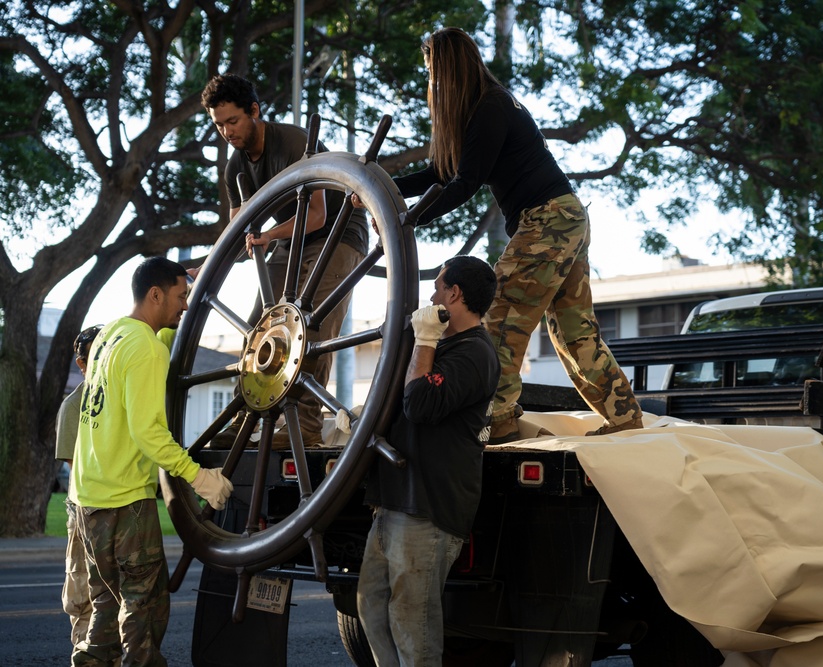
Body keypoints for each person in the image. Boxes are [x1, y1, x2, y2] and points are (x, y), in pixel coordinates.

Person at [390, 27, 643, 443]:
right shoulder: (486, 109)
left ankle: (501, 416)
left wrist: (411, 219)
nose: (430, 82)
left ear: (447, 71)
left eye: (432, 71)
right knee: (572, 330)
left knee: (499, 316)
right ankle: (624, 418)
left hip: (548, 220)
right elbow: (443, 173)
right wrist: (387, 184)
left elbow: (466, 182)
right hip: (564, 216)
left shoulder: (491, 107)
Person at [69, 257, 233, 667]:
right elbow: (149, 433)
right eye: (180, 296)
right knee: (144, 608)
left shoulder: (111, 334)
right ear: (155, 294)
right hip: (125, 502)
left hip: (89, 496)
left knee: (104, 608)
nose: (185, 306)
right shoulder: (145, 349)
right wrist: (199, 478)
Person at [200, 73, 369, 446]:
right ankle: (243, 419)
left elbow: (318, 216)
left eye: (233, 121)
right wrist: (206, 267)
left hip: (339, 232)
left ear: (255, 112)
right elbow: (236, 234)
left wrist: (270, 236)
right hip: (292, 239)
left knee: (315, 327)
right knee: (258, 324)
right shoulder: (236, 169)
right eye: (219, 125)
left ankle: (307, 425)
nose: (227, 132)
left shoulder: (292, 142)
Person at [357, 255, 500, 666]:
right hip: (395, 502)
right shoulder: (443, 344)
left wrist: (423, 340)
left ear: (454, 294)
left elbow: (418, 403)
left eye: (437, 288)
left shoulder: (473, 353)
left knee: (412, 626)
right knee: (372, 606)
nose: (431, 296)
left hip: (428, 510)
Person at [55, 325, 105, 653]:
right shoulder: (74, 407)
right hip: (87, 514)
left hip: (120, 513)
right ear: (81, 363)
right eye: (95, 358)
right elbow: (78, 471)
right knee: (83, 600)